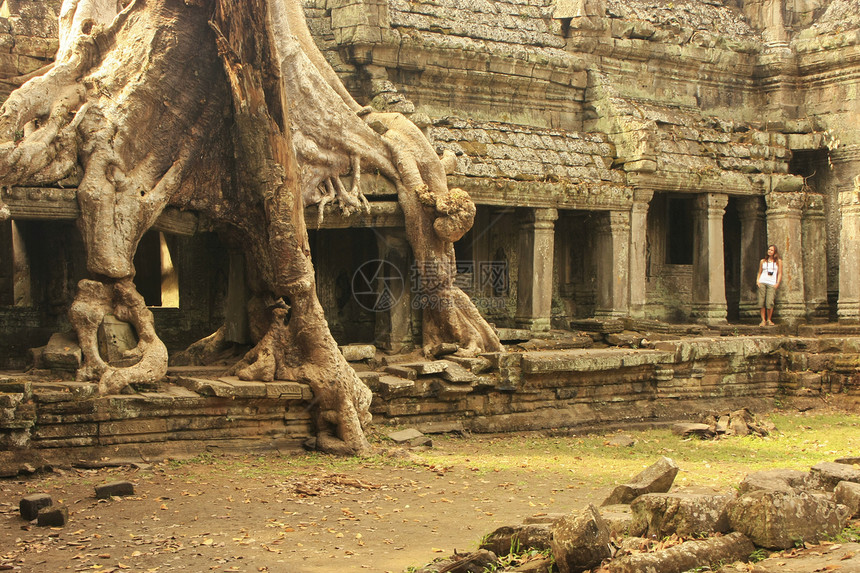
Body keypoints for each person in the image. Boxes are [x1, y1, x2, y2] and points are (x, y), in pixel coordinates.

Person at [756, 244, 782, 326]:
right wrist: (758, 281)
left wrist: (777, 282)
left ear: (775, 252)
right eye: (769, 249)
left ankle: (769, 319)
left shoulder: (778, 262)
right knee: (761, 301)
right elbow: (760, 272)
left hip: (772, 282)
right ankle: (763, 320)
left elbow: (780, 273)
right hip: (763, 281)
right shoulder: (763, 261)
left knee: (769, 302)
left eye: (772, 250)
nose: (769, 251)